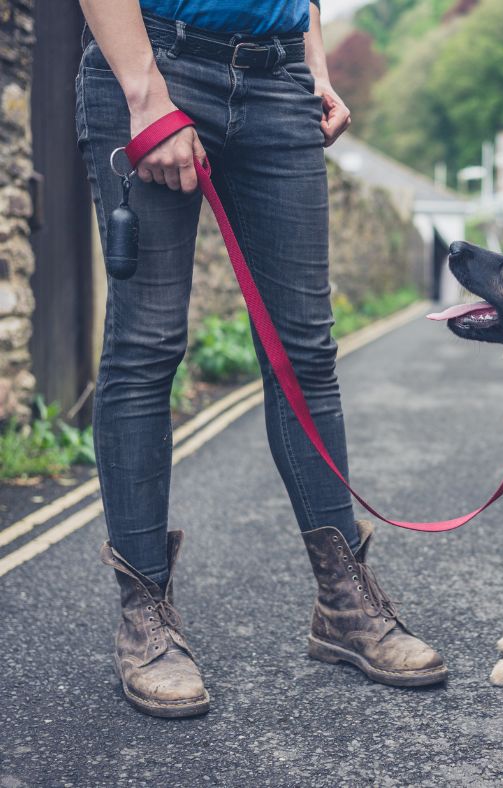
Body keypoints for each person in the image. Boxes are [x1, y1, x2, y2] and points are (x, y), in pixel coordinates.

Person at [78, 0, 448, 718]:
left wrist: (314, 65)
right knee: (148, 345)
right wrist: (146, 92)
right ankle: (146, 615)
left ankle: (345, 602)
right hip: (157, 57)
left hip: (279, 78)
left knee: (304, 350)